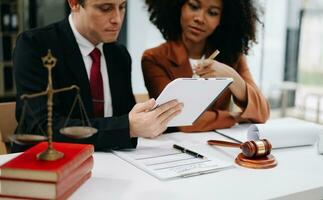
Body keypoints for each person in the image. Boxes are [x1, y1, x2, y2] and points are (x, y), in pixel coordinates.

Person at [12, 0, 182, 152]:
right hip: (44, 163)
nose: (117, 19)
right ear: (74, 4)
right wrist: (128, 127)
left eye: (122, 7)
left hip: (109, 161)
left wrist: (147, 121)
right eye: (106, 8)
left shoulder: (119, 55)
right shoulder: (35, 45)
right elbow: (40, 127)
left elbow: (124, 117)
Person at [142, 0, 269, 132]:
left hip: (218, 144)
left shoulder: (231, 56)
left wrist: (232, 76)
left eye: (212, 13)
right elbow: (179, 119)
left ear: (223, 18)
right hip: (173, 148)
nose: (200, 18)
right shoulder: (154, 58)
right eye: (193, 6)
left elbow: (262, 113)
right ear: (179, 7)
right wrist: (234, 117)